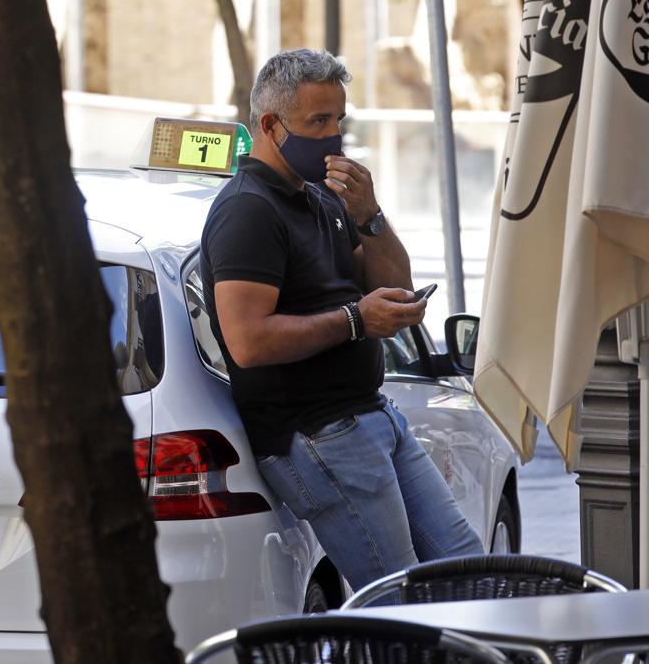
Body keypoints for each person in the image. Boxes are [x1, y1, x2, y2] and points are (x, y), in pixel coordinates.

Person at [200, 48, 483, 593]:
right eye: (317, 122)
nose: (333, 136)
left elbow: (387, 282)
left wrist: (370, 216)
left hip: (373, 414)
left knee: (467, 572)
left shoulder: (323, 200)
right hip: (318, 434)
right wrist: (356, 321)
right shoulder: (248, 209)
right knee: (395, 600)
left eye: (338, 121)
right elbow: (248, 340)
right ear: (270, 125)